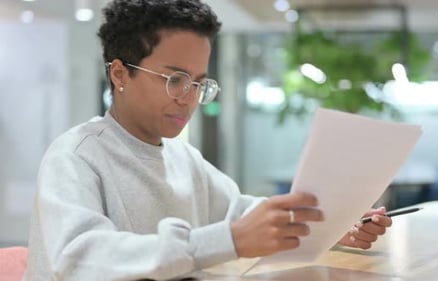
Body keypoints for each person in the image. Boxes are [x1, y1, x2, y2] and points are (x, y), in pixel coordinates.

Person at [23, 0, 392, 280]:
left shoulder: (183, 158)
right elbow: (77, 260)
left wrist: (332, 223)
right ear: (120, 74)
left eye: (199, 83)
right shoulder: (75, 157)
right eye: (175, 79)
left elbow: (242, 212)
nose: (190, 97)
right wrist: (227, 241)